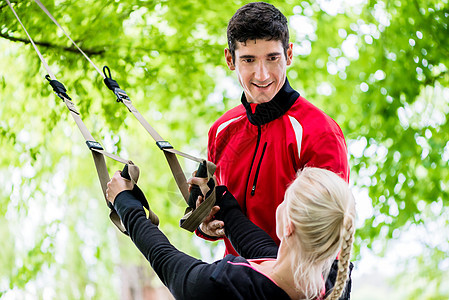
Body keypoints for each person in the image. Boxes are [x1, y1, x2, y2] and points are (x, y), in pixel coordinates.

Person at [197, 2, 350, 257]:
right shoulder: (220, 131)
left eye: (272, 58)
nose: (262, 74)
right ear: (229, 59)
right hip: (233, 284)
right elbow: (216, 216)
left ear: (289, 54)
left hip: (299, 289)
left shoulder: (320, 133)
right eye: (248, 59)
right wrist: (206, 224)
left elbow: (324, 238)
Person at [106, 167, 355, 300]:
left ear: (287, 225)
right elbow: (259, 246)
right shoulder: (332, 281)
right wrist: (219, 197)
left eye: (285, 200)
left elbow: (169, 264)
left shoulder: (231, 286)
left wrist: (124, 202)